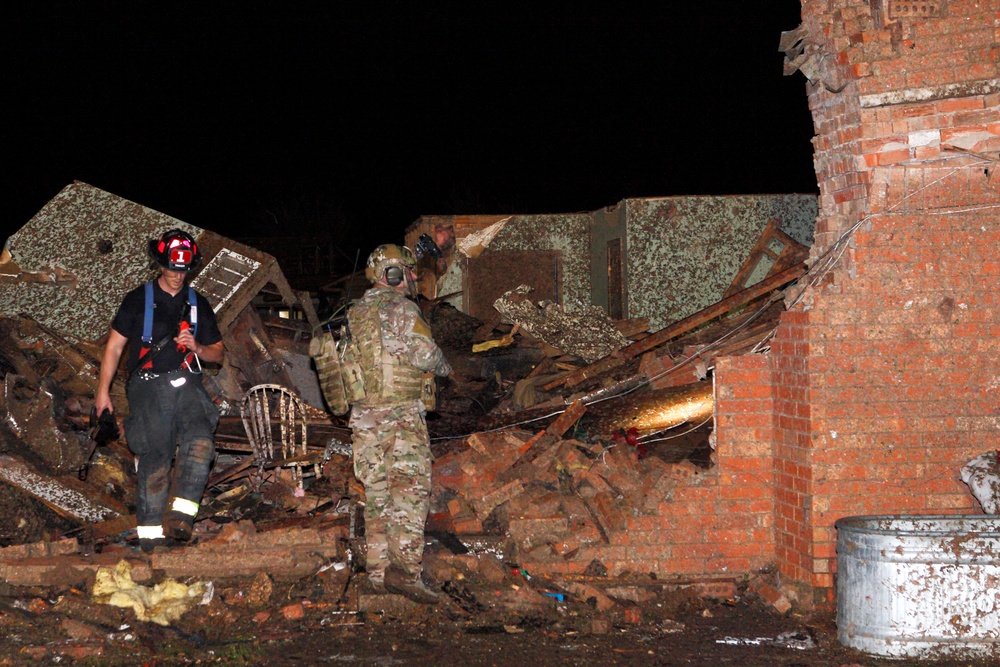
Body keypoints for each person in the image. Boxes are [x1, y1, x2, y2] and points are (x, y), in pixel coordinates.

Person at [95, 229, 224, 552]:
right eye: (172, 268)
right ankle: (151, 541)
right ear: (159, 264)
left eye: (183, 269)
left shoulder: (198, 304)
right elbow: (113, 348)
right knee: (156, 458)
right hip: (148, 385)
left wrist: (197, 347)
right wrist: (103, 392)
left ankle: (181, 518)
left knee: (200, 442)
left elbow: (218, 353)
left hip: (186, 382)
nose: (178, 275)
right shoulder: (138, 299)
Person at [345, 243, 451, 604]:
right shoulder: (403, 309)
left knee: (376, 494)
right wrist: (445, 366)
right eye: (408, 271)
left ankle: (377, 572)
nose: (413, 277)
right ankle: (405, 573)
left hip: (363, 418)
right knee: (409, 491)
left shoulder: (355, 311)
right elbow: (425, 355)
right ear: (393, 274)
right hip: (400, 415)